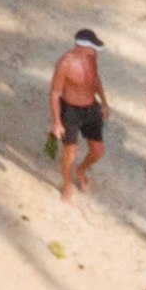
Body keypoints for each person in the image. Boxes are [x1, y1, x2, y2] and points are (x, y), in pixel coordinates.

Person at [47, 28, 109, 199]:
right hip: (71, 110)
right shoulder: (65, 63)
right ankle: (67, 185)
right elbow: (55, 93)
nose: (95, 51)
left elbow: (96, 80)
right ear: (82, 46)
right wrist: (57, 122)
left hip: (91, 108)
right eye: (92, 47)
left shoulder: (92, 57)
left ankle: (81, 170)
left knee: (98, 151)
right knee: (70, 153)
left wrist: (104, 102)